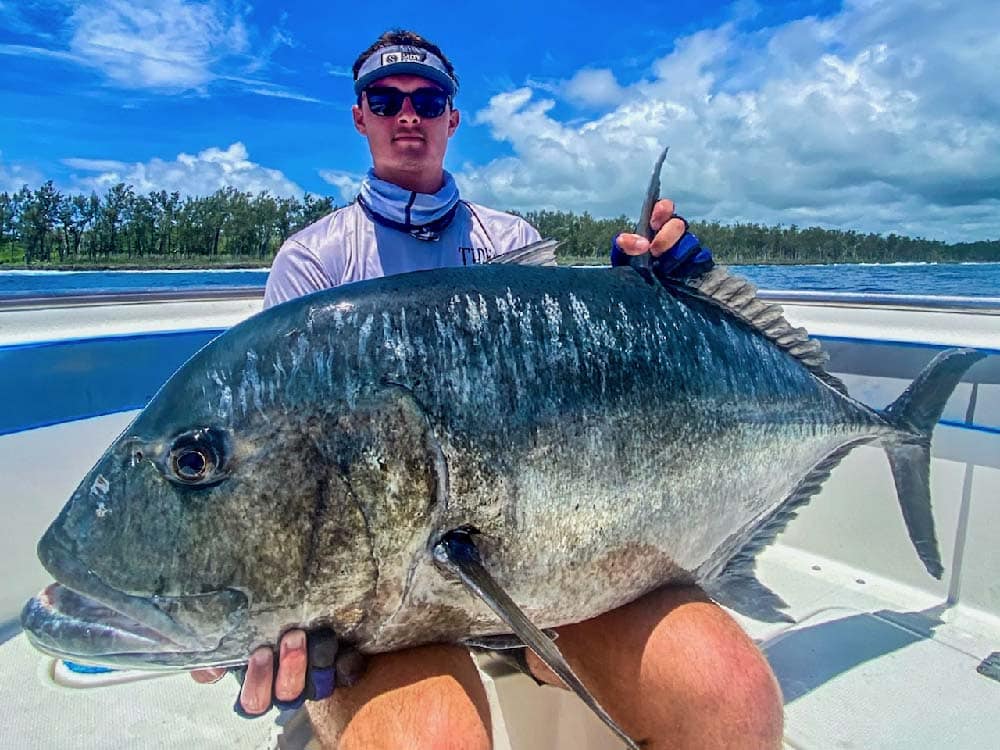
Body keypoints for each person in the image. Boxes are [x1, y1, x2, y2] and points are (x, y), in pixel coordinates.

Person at [192, 29, 783, 750]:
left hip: (548, 563)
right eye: (386, 99)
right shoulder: (314, 264)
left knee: (733, 700)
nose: (407, 114)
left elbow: (579, 400)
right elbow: (281, 461)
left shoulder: (512, 247)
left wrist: (652, 303)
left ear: (451, 118)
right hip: (384, 601)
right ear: (360, 117)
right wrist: (257, 609)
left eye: (427, 98)